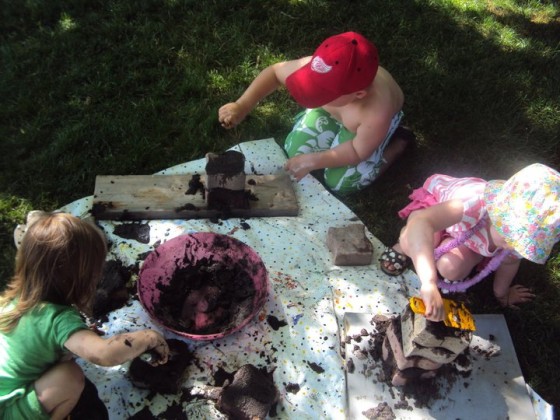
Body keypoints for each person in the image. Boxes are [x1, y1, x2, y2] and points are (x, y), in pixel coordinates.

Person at [0, 212, 170, 420]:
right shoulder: (58, 319)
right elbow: (104, 354)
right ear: (78, 279)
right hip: (7, 409)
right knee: (70, 377)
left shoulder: (17, 299)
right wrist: (147, 337)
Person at [218, 31, 414, 194]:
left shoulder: (376, 114)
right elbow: (275, 73)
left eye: (321, 93)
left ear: (359, 94)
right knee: (293, 150)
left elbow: (356, 151)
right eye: (311, 84)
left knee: (340, 183)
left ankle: (396, 146)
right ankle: (329, 137)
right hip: (336, 115)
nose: (311, 93)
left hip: (364, 136)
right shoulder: (324, 68)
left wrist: (315, 160)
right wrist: (242, 105)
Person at [379, 163, 560, 322]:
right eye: (510, 237)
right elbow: (421, 222)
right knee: (416, 238)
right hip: (438, 214)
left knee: (452, 268)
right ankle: (402, 246)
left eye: (523, 244)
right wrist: (428, 282)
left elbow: (509, 262)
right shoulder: (470, 203)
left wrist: (502, 294)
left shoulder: (511, 243)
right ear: (498, 214)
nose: (512, 247)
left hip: (468, 236)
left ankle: (443, 246)